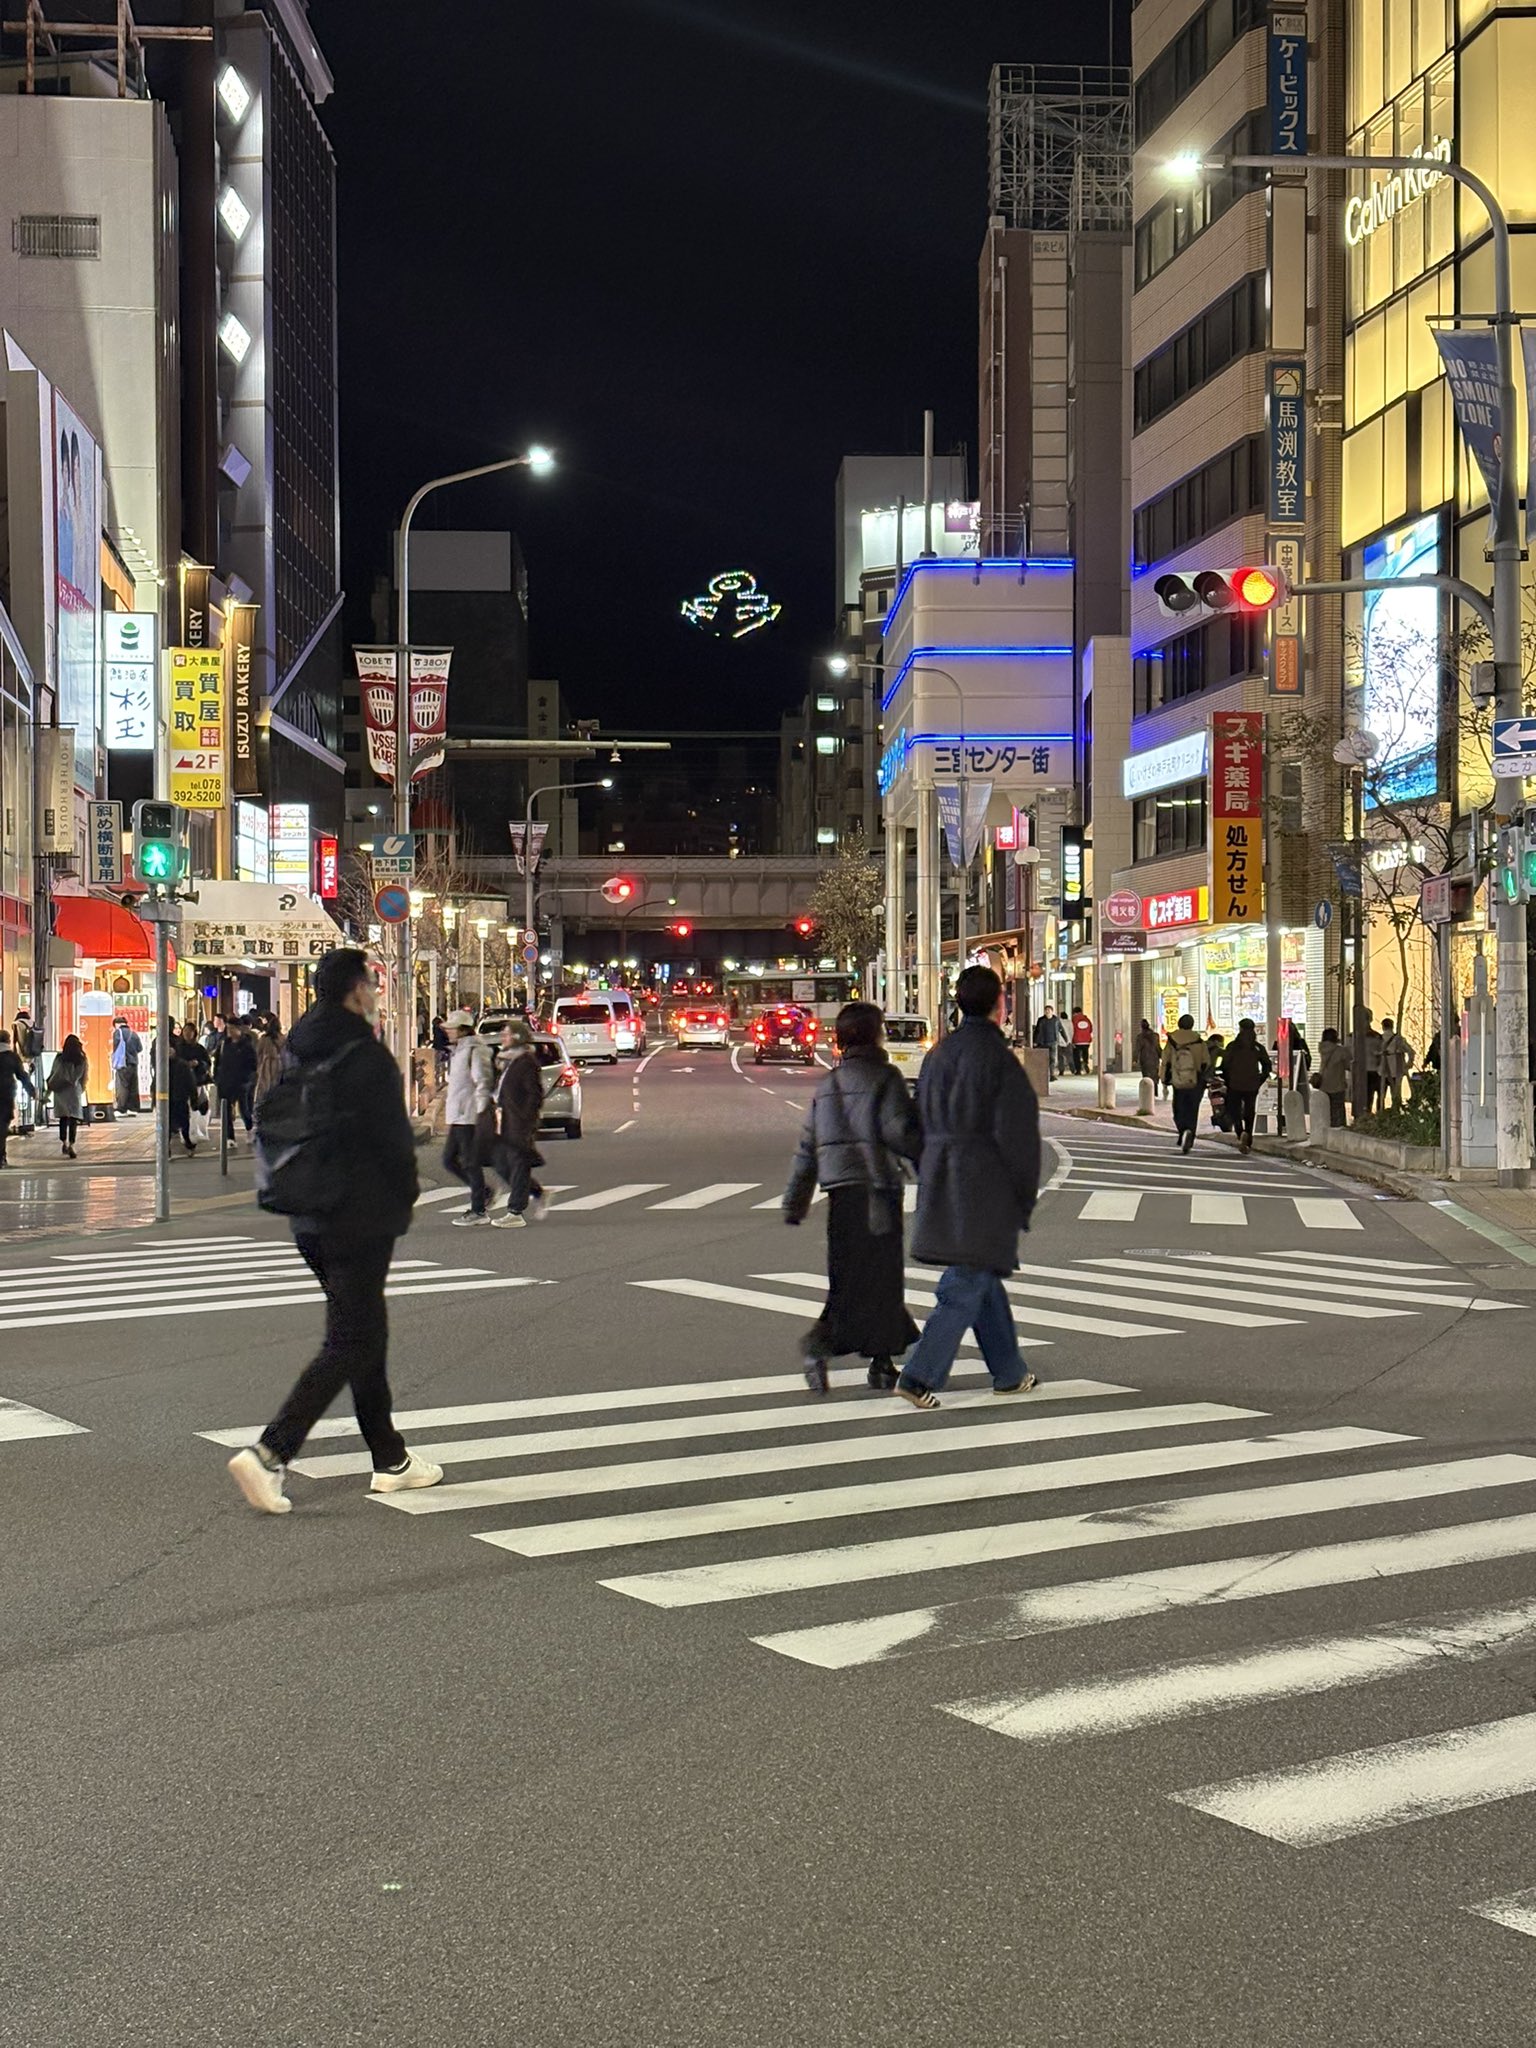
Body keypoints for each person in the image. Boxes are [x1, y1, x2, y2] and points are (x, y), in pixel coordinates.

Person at [228, 948, 442, 1514]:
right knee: (352, 1338)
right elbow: (393, 1143)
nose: (373, 992)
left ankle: (390, 1458)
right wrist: (406, 1195)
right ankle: (270, 1453)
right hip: (359, 1216)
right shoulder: (365, 1056)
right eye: (369, 983)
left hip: (308, 1212)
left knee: (363, 1330)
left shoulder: (300, 1047)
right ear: (354, 990)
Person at [894, 965, 1041, 1411]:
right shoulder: (999, 1060)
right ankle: (919, 1374)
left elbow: (911, 1124)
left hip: (942, 1176)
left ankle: (1009, 1372)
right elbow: (1018, 1136)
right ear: (1000, 1004)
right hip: (986, 1181)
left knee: (981, 1271)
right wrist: (1023, 1197)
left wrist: (930, 1164)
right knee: (968, 1277)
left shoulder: (939, 1055)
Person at [783, 1001, 922, 1395]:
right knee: (883, 1280)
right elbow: (901, 1133)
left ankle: (881, 1363)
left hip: (840, 1196)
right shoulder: (885, 1077)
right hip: (878, 1193)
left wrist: (796, 1199)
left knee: (847, 1278)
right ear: (875, 1034)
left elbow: (808, 1147)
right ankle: (824, 1345)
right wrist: (930, 1159)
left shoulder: (828, 1085)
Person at [489, 1017, 549, 1228]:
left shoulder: (526, 1062)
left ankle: (515, 1211)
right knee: (502, 1162)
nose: (502, 1038)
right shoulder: (508, 1061)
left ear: (516, 1037)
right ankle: (535, 1191)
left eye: (506, 1035)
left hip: (518, 1122)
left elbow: (534, 1094)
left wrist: (525, 1119)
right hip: (505, 1120)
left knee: (518, 1164)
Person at [441, 1008, 494, 1225]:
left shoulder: (474, 1051)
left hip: (469, 1115)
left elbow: (482, 1081)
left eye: (452, 1028)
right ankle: (483, 1192)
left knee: (471, 1163)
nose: (448, 1032)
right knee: (449, 1160)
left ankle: (479, 1210)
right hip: (458, 1115)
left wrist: (480, 1110)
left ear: (463, 1030)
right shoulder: (459, 1050)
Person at [1220, 1017, 1271, 1153]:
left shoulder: (1233, 1046)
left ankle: (1239, 1131)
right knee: (1250, 1110)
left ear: (1240, 1029)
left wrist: (1228, 1080)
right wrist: (1259, 1079)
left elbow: (1225, 1065)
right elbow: (1267, 1066)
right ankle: (1248, 1138)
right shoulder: (1257, 1047)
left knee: (1234, 1110)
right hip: (1252, 1084)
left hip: (1235, 1084)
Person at [1161, 1015, 1210, 1154]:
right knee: (1193, 1109)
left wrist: (1164, 1078)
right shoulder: (1199, 1040)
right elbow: (1206, 1061)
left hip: (1178, 1079)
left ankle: (1183, 1130)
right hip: (1195, 1080)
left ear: (1179, 1024)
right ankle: (1190, 1133)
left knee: (1178, 1108)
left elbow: (1165, 1060)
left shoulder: (1172, 1040)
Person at [214, 1017, 258, 1139]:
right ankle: (230, 1138)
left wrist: (247, 1080)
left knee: (243, 1109)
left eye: (232, 1028)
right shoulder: (224, 1044)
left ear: (239, 1029)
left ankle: (249, 1127)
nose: (230, 1031)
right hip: (225, 1082)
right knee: (226, 1111)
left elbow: (252, 1065)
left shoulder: (247, 1046)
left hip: (241, 1083)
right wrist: (217, 1078)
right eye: (228, 1028)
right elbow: (218, 1062)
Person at [45, 1035, 88, 1157]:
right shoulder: (81, 1060)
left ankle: (64, 1142)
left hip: (61, 1090)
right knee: (73, 1118)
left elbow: (54, 1073)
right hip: (74, 1090)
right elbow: (83, 1076)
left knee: (63, 1118)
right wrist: (82, 1088)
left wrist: (50, 1087)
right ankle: (72, 1144)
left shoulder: (60, 1058)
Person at [0, 1028, 36, 1166]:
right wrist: (31, 1091)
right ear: (8, 1041)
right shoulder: (12, 1057)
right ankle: (1, 1156)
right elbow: (22, 1076)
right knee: (3, 1125)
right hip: (6, 1094)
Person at [1314, 1027, 1351, 1127]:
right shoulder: (1341, 1051)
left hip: (1323, 1084)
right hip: (1337, 1084)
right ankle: (1337, 1130)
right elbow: (1349, 1065)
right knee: (1338, 1111)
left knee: (1326, 1110)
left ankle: (1326, 1128)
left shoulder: (1322, 1049)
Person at [11, 1008, 38, 1135]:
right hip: (32, 1058)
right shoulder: (32, 1023)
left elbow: (15, 1043)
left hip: (21, 1059)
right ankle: (29, 1118)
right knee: (27, 1083)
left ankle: (20, 1120)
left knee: (18, 1090)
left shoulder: (16, 1025)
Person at [111, 1013, 143, 1116]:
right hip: (133, 1063)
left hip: (123, 1063)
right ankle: (133, 1108)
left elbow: (115, 1047)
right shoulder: (134, 1034)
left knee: (122, 1086)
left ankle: (122, 1109)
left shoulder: (118, 1033)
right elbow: (140, 1048)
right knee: (133, 1086)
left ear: (117, 1024)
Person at [1381, 1017, 1416, 1110]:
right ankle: (1396, 1110)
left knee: (1381, 1095)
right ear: (1392, 1026)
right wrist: (1408, 1064)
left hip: (1383, 1070)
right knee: (1396, 1094)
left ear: (1383, 1026)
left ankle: (1381, 1112)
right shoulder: (1399, 1039)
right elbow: (1411, 1051)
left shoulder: (1380, 1039)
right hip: (1397, 1070)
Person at [253, 1014, 285, 1106]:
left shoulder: (264, 1039)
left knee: (264, 1092)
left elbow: (258, 1053)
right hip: (280, 1066)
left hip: (265, 1068)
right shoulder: (283, 1038)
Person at [1032, 1005, 1065, 1078]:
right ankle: (1044, 1074)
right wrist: (1035, 1041)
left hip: (1053, 1042)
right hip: (1043, 1042)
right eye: (1046, 1010)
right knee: (1043, 1059)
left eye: (1049, 1010)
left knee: (1052, 1059)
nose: (1047, 1012)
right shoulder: (1041, 1020)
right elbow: (1037, 1031)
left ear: (1052, 1011)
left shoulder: (1056, 1020)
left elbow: (1061, 1029)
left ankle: (1052, 1074)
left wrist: (1065, 1039)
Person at [1205, 1033, 1229, 1131]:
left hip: (1198, 1077)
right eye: (1221, 1042)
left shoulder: (1200, 1047)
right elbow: (1227, 1056)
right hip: (1210, 1077)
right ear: (1216, 1041)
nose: (1222, 1044)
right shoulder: (1216, 1049)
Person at [1133, 1018, 1162, 1096]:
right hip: (1155, 1059)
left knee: (1146, 1076)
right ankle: (1155, 1092)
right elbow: (1158, 1048)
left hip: (1145, 1060)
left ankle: (1148, 1094)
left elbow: (1137, 1049)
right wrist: (1162, 1056)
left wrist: (1135, 1059)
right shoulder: (1155, 1036)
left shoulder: (1140, 1037)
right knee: (1155, 1076)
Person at [1362, 1014, 1384, 1111]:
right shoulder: (1376, 1036)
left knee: (1369, 1095)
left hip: (1372, 1070)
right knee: (1369, 1095)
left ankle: (1368, 1113)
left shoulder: (1376, 1036)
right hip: (1371, 1069)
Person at [1069, 1006, 1093, 1075]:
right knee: (1085, 1053)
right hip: (1086, 1040)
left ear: (1074, 1013)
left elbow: (1071, 1030)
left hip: (1077, 1041)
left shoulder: (1074, 1020)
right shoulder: (1087, 1019)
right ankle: (1085, 1062)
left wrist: (1071, 1040)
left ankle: (1078, 1070)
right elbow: (1091, 1029)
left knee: (1076, 1056)